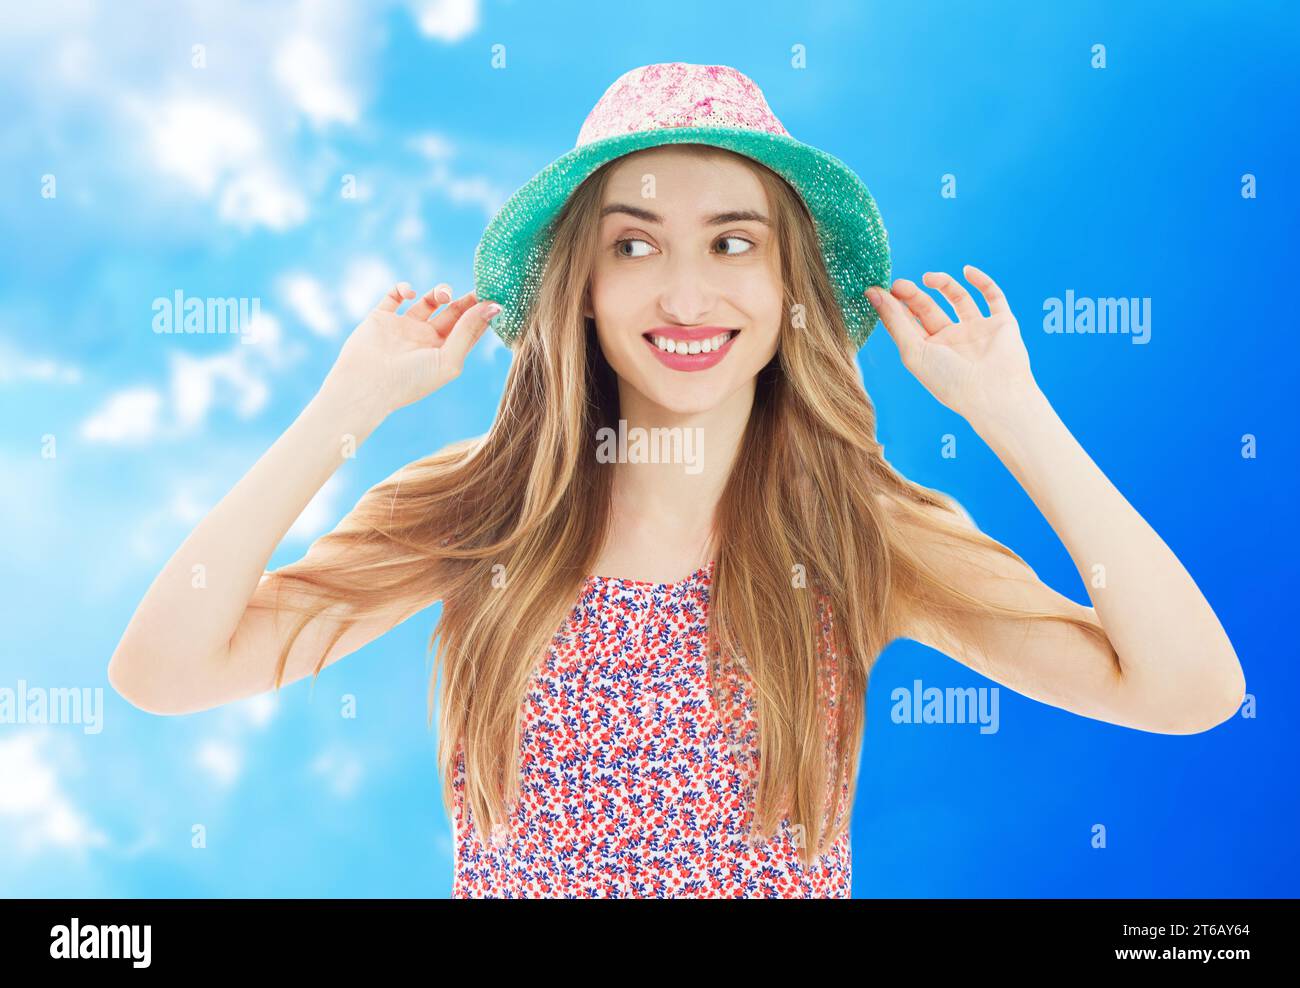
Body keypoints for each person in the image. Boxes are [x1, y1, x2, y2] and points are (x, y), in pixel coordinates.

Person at [108, 63, 1245, 899]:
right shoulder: (476, 512)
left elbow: (1184, 690)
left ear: (790, 280)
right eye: (636, 244)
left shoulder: (854, 533)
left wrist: (1014, 414)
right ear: (581, 287)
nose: (687, 297)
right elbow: (164, 670)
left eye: (733, 242)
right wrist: (341, 408)